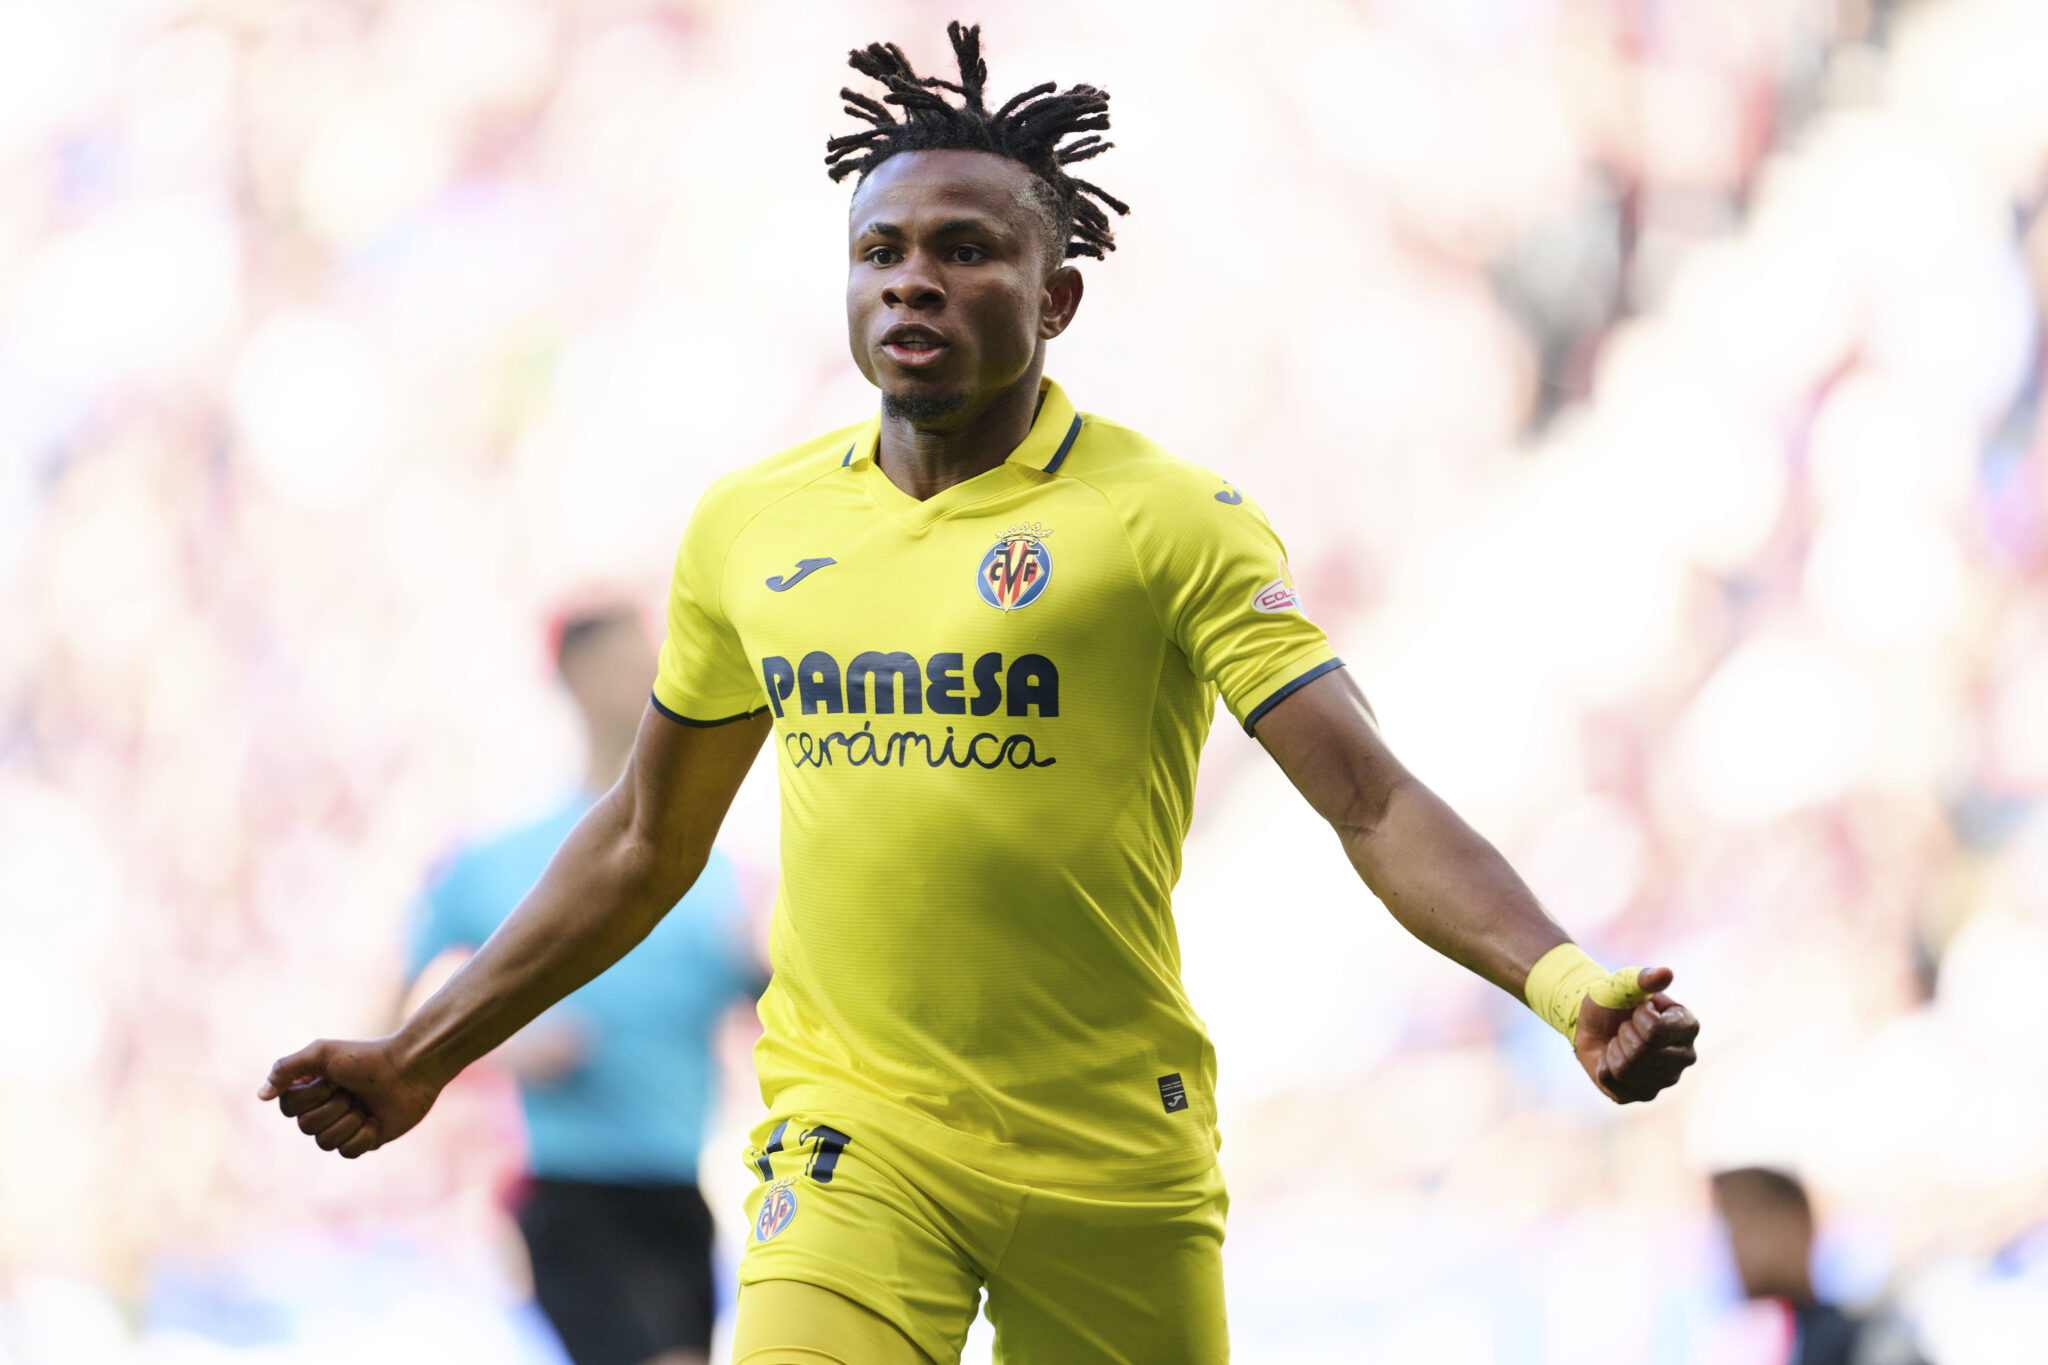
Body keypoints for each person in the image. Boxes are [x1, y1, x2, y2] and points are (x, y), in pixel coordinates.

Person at [261, 24, 1702, 1364]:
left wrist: (1564, 983)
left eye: (964, 250)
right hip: (853, 1142)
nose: (912, 280)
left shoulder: (1166, 520)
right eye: (879, 250)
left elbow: (1371, 799)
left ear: (1054, 295)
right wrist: (420, 1057)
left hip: (1110, 1152)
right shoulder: (753, 528)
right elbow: (646, 839)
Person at [404, 604, 763, 1365]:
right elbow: (396, 1015)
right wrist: (504, 1046)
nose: (648, 677)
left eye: (654, 661)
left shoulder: (719, 871)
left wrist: (767, 970)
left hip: (677, 1196)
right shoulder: (499, 857)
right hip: (566, 1190)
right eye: (626, 662)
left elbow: (787, 1016)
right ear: (573, 676)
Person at [1711, 1168, 1930, 1365]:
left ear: (1793, 1225)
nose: (1730, 1249)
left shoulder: (1868, 1343)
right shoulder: (1791, 1343)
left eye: (1737, 1228)